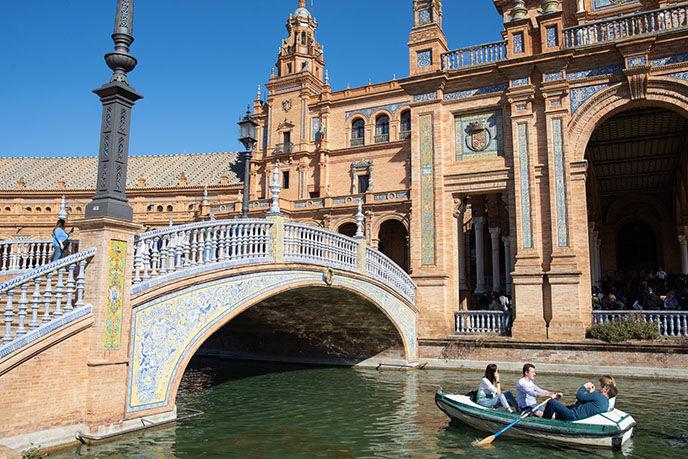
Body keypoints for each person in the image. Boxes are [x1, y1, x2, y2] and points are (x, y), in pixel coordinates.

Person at [543, 378, 617, 420]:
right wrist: (591, 393)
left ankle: (544, 422)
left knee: (551, 402)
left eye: (603, 387)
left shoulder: (599, 396)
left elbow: (579, 396)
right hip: (579, 416)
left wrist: (584, 386)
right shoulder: (606, 403)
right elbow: (584, 403)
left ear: (606, 390)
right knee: (563, 408)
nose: (601, 388)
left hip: (573, 416)